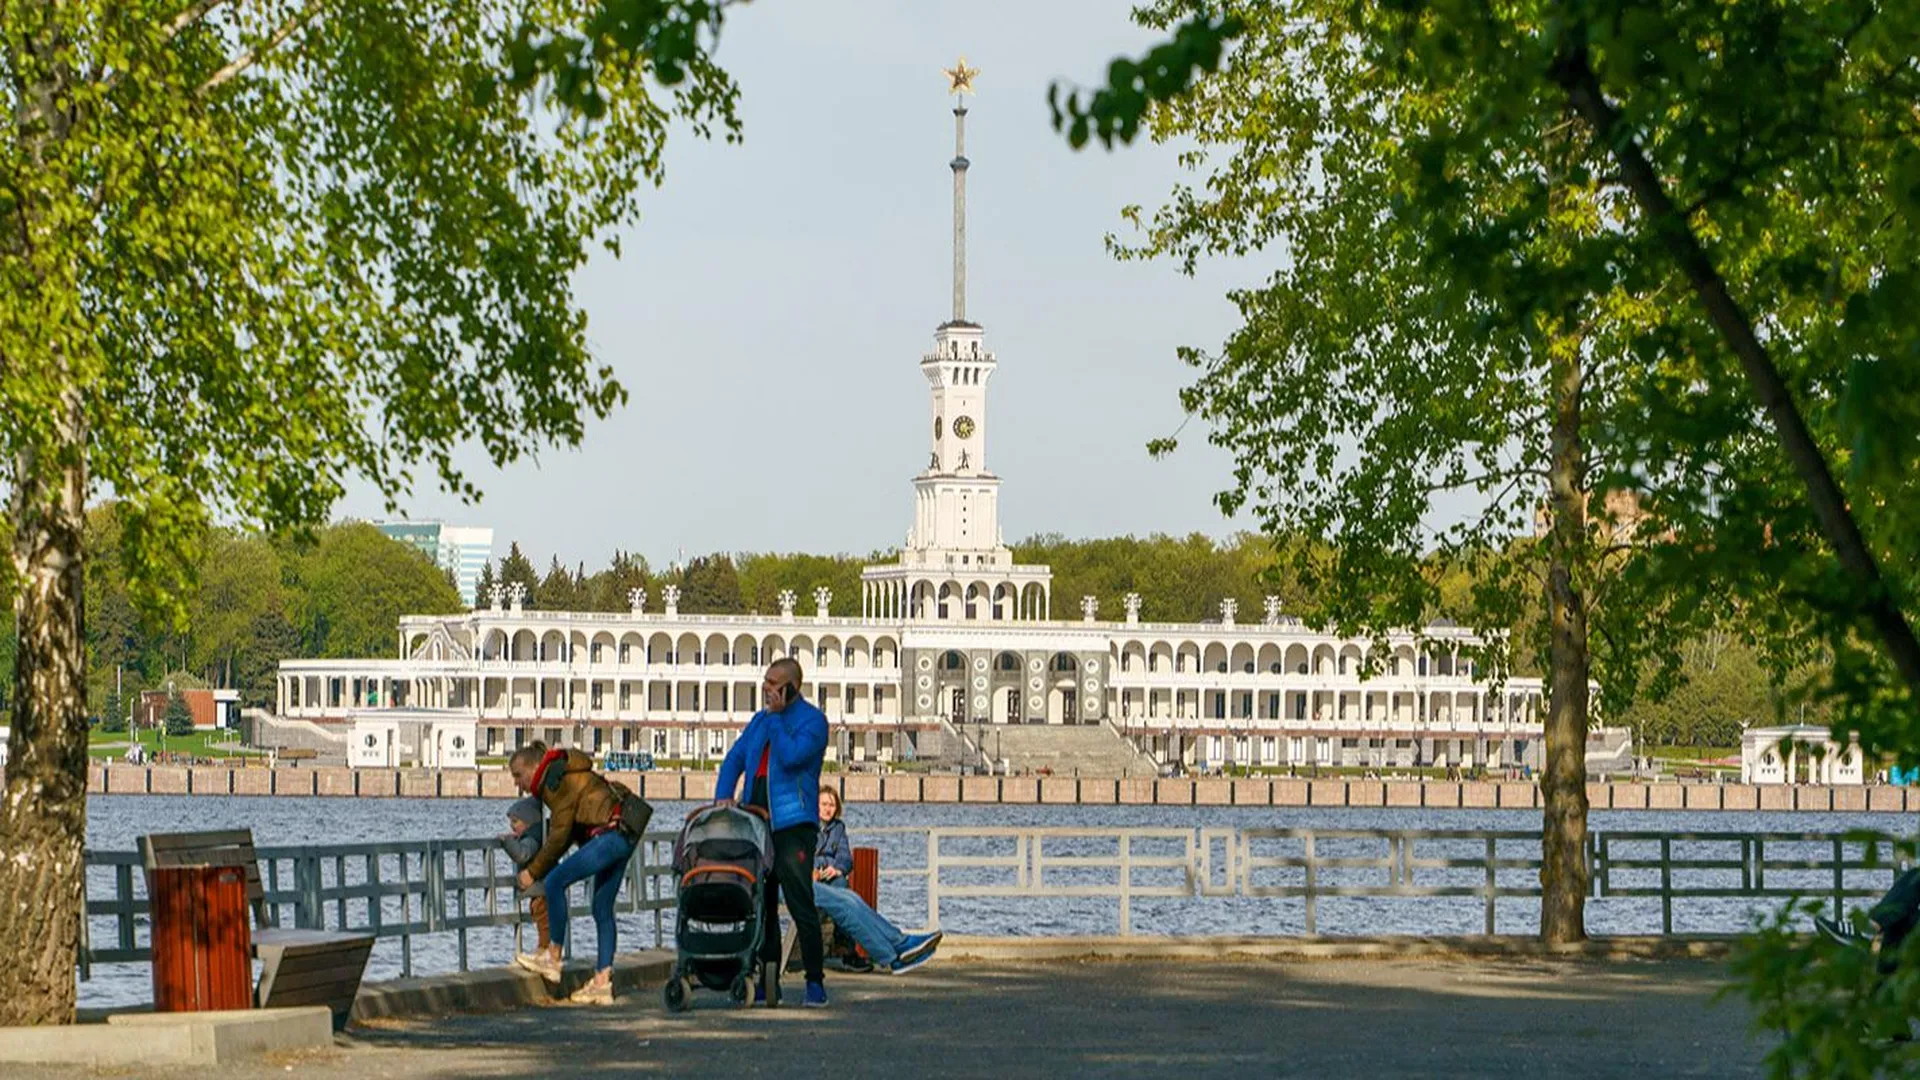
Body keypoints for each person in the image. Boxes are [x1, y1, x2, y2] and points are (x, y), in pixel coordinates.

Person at [717, 658, 830, 1008]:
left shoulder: (813, 721)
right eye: (765, 681)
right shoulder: (759, 721)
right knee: (761, 903)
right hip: (756, 822)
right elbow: (735, 758)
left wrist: (779, 718)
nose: (766, 689)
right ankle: (767, 981)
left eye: (774, 683)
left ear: (792, 686)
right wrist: (723, 796)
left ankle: (814, 981)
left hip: (793, 824)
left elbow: (793, 756)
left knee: (800, 902)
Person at [508, 741, 645, 1005]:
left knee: (555, 881)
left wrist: (532, 872)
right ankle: (602, 983)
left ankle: (553, 957)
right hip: (625, 833)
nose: (518, 785)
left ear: (534, 767)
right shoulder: (566, 770)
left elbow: (560, 836)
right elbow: (569, 828)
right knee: (602, 909)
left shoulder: (556, 781)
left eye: (518, 775)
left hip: (608, 837)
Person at [812, 785, 941, 974]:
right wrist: (818, 866)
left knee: (850, 896)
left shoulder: (838, 828)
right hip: (805, 884)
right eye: (823, 804)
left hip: (827, 881)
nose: (827, 809)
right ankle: (893, 954)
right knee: (847, 900)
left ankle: (899, 947)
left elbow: (845, 858)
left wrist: (836, 869)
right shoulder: (807, 827)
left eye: (831, 805)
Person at [498, 797, 551, 961]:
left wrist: (507, 842)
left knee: (543, 919)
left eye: (515, 821)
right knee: (544, 919)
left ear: (529, 821)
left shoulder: (532, 837)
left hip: (541, 885)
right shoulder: (541, 833)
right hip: (545, 885)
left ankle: (544, 950)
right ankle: (545, 950)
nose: (512, 826)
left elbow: (522, 854)